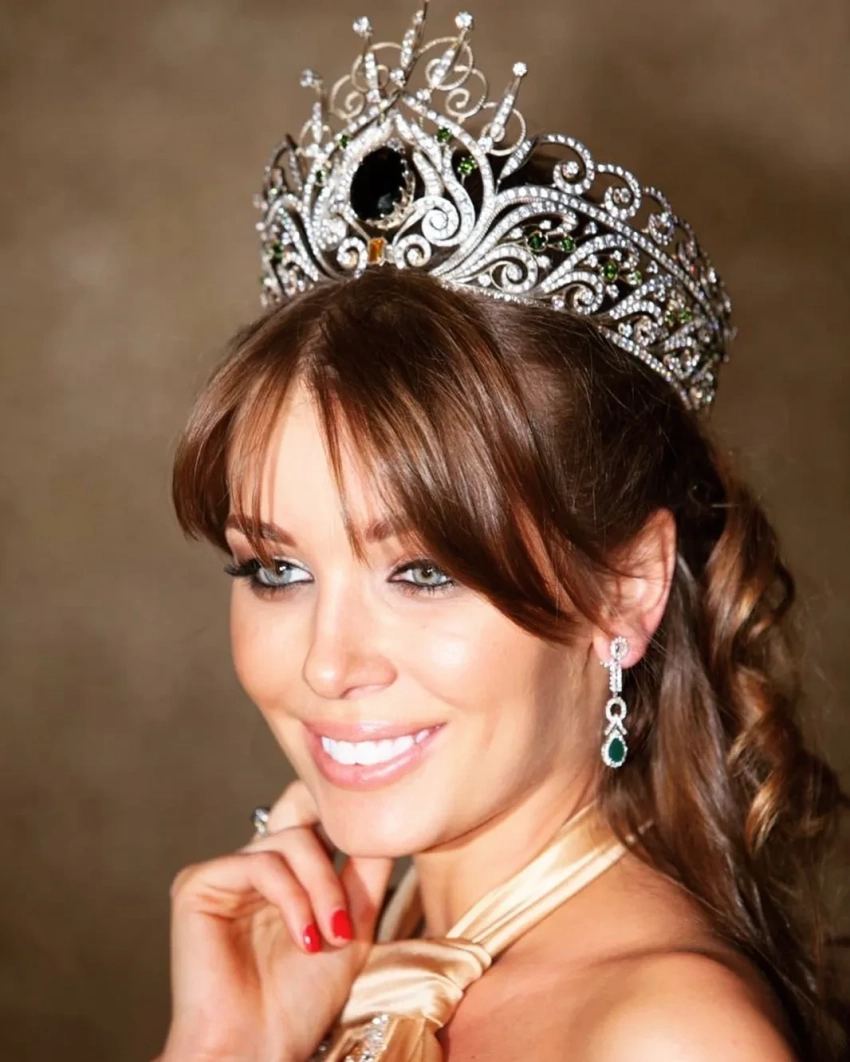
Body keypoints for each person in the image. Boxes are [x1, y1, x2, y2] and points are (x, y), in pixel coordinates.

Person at [156, 5, 848, 1060]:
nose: (328, 665)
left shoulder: (666, 1037)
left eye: (423, 571)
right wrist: (223, 1049)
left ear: (626, 588)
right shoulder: (352, 958)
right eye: (277, 568)